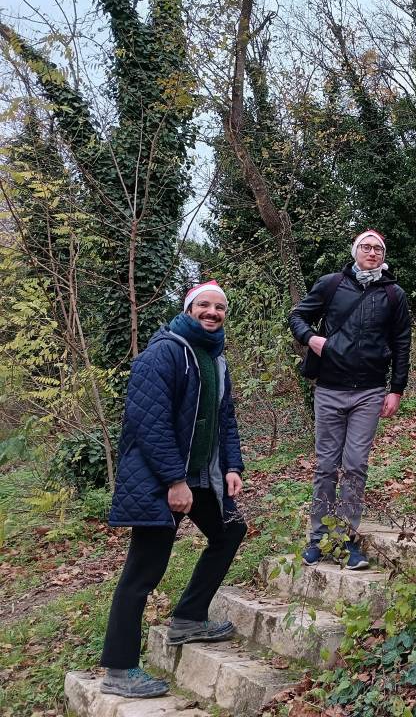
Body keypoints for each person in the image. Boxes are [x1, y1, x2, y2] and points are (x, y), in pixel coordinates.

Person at [100, 281, 247, 698]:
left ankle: (188, 618)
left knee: (230, 530)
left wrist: (232, 464)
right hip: (159, 480)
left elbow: (226, 418)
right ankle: (119, 669)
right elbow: (150, 423)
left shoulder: (216, 360)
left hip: (201, 478)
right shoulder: (165, 351)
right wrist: (174, 481)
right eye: (205, 305)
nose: (213, 312)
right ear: (189, 308)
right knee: (143, 572)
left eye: (220, 307)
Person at [288, 230, 412, 569]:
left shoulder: (393, 294)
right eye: (366, 247)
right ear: (355, 251)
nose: (372, 253)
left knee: (355, 466)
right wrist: (311, 339)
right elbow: (297, 316)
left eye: (378, 249)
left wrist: (396, 389)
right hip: (328, 388)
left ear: (383, 256)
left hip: (370, 391)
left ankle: (346, 537)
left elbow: (402, 342)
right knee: (326, 466)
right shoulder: (331, 284)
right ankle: (318, 538)